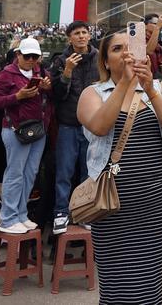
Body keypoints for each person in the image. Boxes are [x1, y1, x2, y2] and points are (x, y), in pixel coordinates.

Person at [77, 30, 162, 305]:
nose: (125, 53)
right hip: (111, 200)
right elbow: (100, 126)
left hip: (154, 199)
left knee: (149, 280)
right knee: (116, 282)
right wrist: (125, 84)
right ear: (105, 62)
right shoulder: (92, 93)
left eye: (130, 47)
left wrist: (148, 87)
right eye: (116, 49)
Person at [0, 37, 51, 234]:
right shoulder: (7, 74)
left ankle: (21, 213)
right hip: (15, 128)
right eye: (27, 56)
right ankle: (8, 218)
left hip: (38, 128)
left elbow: (51, 95)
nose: (31, 60)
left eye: (35, 56)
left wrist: (46, 88)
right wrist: (18, 97)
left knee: (30, 172)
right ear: (18, 55)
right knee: (15, 173)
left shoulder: (40, 71)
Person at [49, 20, 98, 234]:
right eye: (76, 33)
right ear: (69, 38)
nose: (80, 36)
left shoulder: (99, 59)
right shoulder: (60, 60)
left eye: (84, 32)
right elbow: (57, 95)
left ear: (89, 35)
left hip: (92, 123)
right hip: (68, 123)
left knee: (88, 172)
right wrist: (67, 71)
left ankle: (85, 212)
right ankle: (61, 212)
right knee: (65, 171)